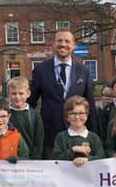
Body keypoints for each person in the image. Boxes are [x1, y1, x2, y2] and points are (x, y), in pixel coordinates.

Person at [28, 28, 98, 158]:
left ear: (73, 46)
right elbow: (31, 103)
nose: (63, 44)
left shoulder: (84, 71)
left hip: (78, 134)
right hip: (49, 135)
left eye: (67, 41)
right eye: (59, 40)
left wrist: (93, 135)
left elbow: (90, 105)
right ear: (53, 44)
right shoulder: (40, 70)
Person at [9, 76, 44, 160]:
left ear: (28, 93)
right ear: (8, 94)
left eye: (21, 93)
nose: (17, 97)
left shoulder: (34, 114)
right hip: (8, 158)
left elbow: (39, 140)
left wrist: (35, 158)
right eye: (13, 93)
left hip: (30, 159)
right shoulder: (4, 114)